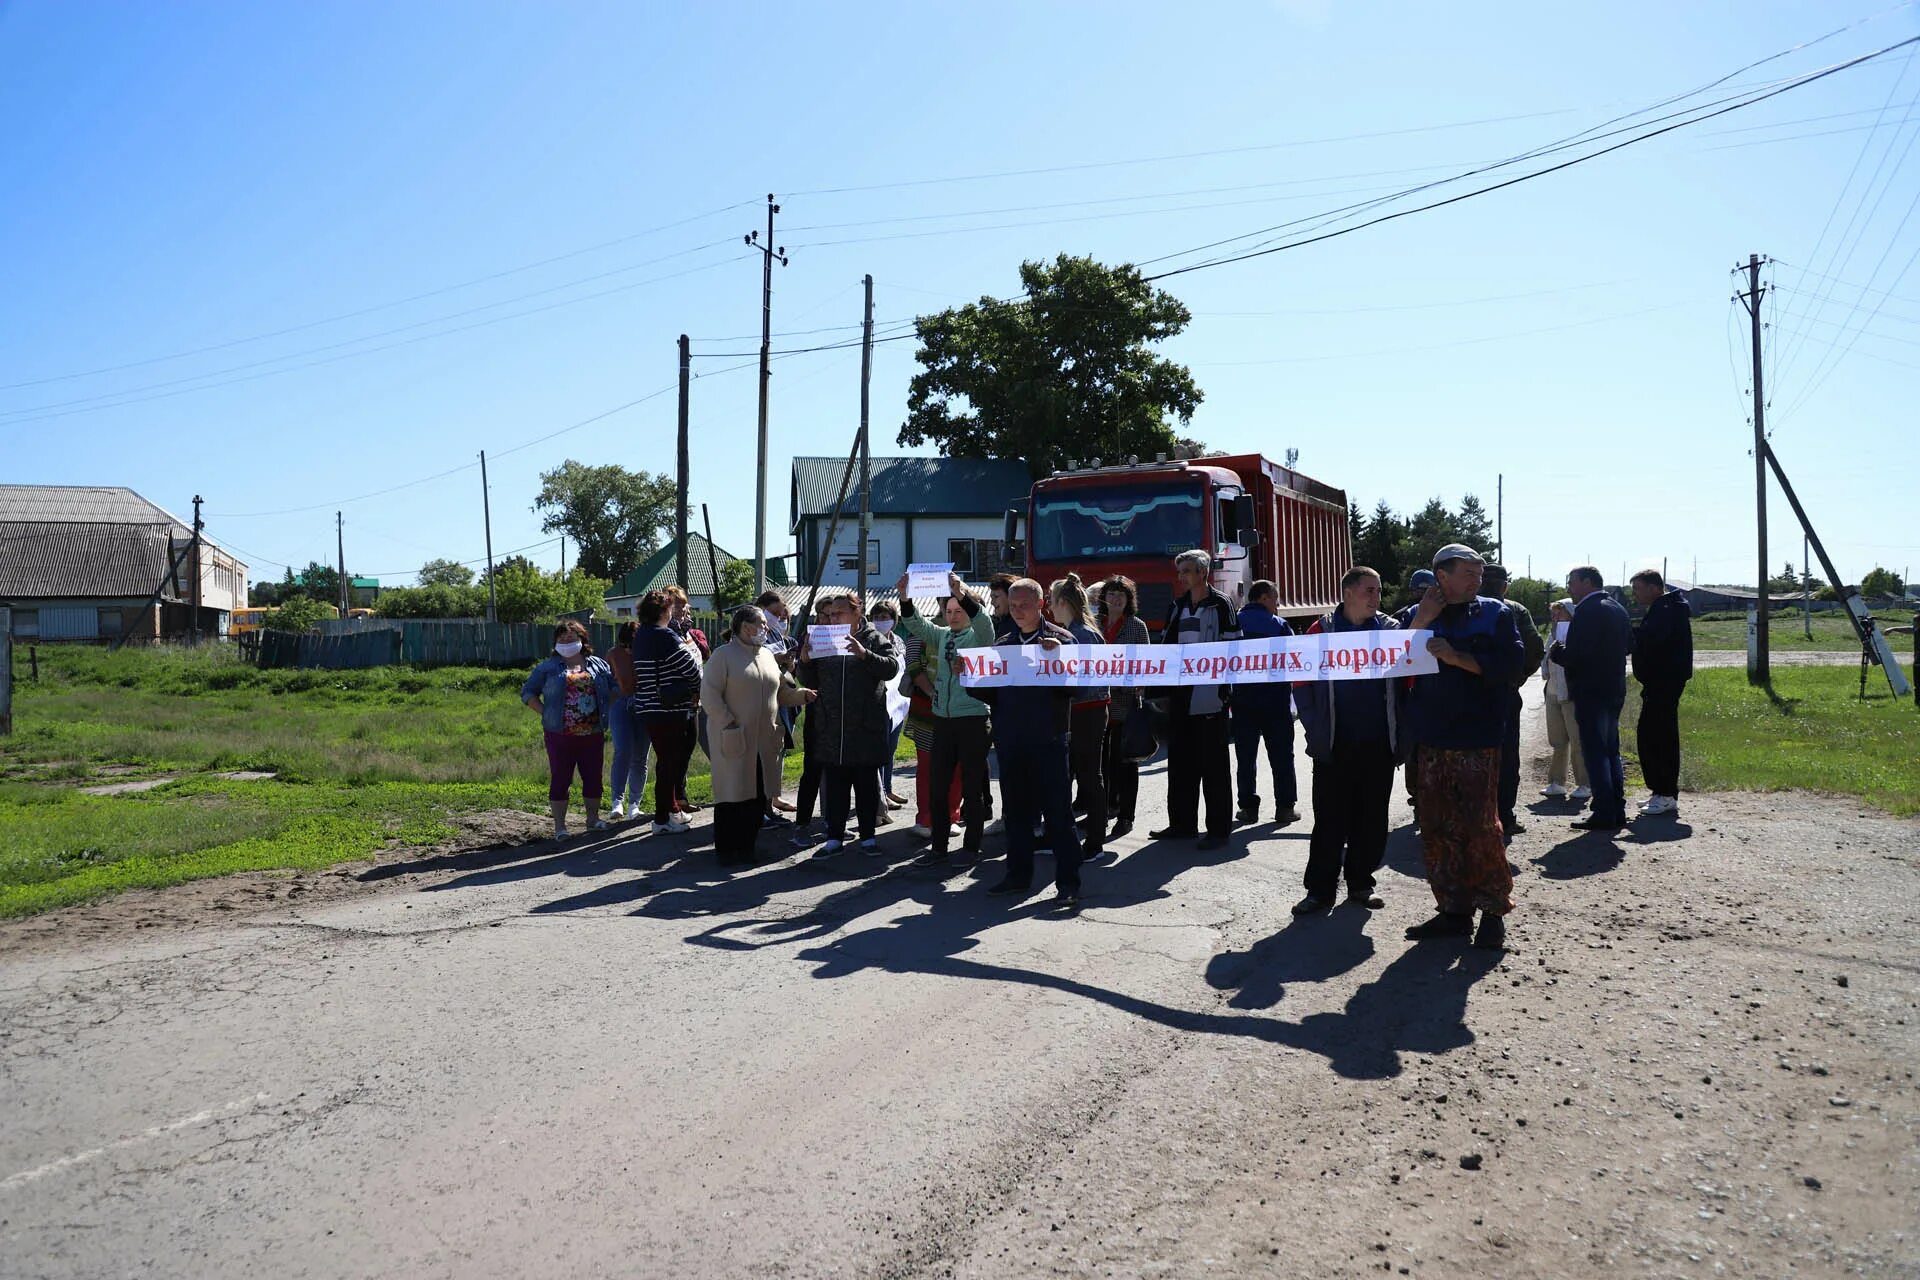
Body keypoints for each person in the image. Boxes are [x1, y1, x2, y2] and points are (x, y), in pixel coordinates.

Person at [1402, 544, 1525, 950]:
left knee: (1479, 827)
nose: (1478, 579)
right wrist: (1423, 619)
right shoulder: (1414, 616)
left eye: (1480, 572)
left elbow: (1511, 667)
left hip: (1477, 737)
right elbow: (1392, 665)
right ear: (1442, 575)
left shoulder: (1495, 613)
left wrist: (1457, 658)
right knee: (1437, 827)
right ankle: (1453, 911)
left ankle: (1492, 912)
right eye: (1469, 572)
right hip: (1431, 738)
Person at [1291, 567, 1402, 914]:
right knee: (1329, 821)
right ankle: (1319, 891)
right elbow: (1301, 684)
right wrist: (1314, 728)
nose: (1377, 598)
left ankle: (1361, 884)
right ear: (1348, 592)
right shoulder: (1320, 631)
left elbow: (1407, 684)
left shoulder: (1390, 631)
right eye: (1370, 590)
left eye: (1379, 591)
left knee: (1371, 819)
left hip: (1378, 744)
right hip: (1333, 745)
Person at [968, 578, 1083, 909]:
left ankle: (1069, 882)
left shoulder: (1063, 641)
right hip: (1011, 739)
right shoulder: (1003, 645)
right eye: (1013, 606)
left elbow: (1077, 688)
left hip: (1049, 740)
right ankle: (1017, 876)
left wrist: (1057, 661)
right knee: (1016, 813)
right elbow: (988, 693)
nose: (1017, 611)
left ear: (1040, 604)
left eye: (1024, 605)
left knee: (1058, 814)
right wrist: (968, 677)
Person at [701, 604, 816, 867]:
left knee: (757, 795)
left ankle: (748, 847)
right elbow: (709, 695)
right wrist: (728, 722)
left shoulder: (766, 655)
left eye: (764, 624)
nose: (764, 629)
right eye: (759, 624)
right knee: (732, 796)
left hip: (764, 739)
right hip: (733, 736)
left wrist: (801, 695)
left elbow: (781, 692)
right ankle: (727, 851)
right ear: (743, 627)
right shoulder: (723, 656)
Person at [896, 569, 995, 866]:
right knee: (938, 788)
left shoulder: (980, 636)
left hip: (974, 720)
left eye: (958, 610)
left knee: (973, 787)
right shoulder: (941, 636)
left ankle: (971, 847)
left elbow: (984, 621)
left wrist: (961, 592)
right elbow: (915, 624)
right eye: (948, 610)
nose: (952, 615)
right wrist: (904, 596)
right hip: (943, 720)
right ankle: (938, 848)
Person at [794, 591, 901, 857]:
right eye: (830, 614)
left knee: (865, 786)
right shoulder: (822, 638)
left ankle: (867, 838)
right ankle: (834, 837)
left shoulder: (872, 638)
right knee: (836, 786)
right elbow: (811, 680)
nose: (833, 619)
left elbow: (890, 668)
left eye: (839, 613)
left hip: (864, 726)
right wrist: (805, 662)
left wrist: (865, 655)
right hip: (832, 727)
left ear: (856, 613)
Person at [1153, 550, 1240, 849]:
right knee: (1180, 761)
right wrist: (1161, 689)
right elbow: (1166, 647)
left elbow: (1233, 648)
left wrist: (1223, 689)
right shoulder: (1177, 606)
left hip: (1210, 693)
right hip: (1180, 692)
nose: (1182, 577)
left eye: (1187, 571)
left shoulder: (1221, 604)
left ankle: (1218, 831)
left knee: (1213, 765)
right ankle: (1182, 824)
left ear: (1203, 572)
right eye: (1180, 572)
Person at [1550, 566, 1634, 833]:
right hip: (1614, 689)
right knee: (1611, 751)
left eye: (1572, 582)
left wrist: (1557, 653)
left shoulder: (1587, 610)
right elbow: (1629, 645)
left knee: (1595, 753)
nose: (1569, 588)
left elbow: (1576, 657)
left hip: (1591, 692)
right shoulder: (1616, 607)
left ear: (1587, 582)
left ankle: (1603, 812)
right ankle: (1616, 808)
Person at [521, 620, 617, 839]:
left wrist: (604, 707)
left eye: (571, 637)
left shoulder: (598, 665)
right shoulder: (547, 667)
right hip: (559, 734)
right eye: (562, 638)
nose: (566, 641)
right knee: (561, 778)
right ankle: (560, 828)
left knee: (593, 777)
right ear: (555, 642)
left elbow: (615, 687)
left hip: (592, 733)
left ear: (582, 639)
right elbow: (528, 693)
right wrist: (545, 712)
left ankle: (593, 820)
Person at [631, 590, 703, 835]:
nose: (673, 613)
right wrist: (698, 688)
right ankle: (662, 819)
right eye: (670, 608)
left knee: (666, 761)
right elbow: (691, 668)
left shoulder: (641, 636)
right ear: (663, 611)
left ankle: (671, 810)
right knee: (670, 763)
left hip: (650, 707)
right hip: (670, 708)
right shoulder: (665, 635)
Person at [1480, 564, 1544, 837]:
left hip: (1467, 693)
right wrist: (1517, 678)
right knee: (1506, 757)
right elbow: (1535, 648)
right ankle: (1504, 815)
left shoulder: (1465, 606)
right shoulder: (1516, 611)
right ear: (1505, 585)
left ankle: (1470, 816)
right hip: (1504, 692)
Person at [1049, 574, 1109, 863]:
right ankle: (1070, 836)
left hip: (1087, 710)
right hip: (1086, 709)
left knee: (1088, 776)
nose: (1050, 608)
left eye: (1052, 601)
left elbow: (1080, 681)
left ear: (1063, 602)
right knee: (1080, 775)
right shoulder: (1079, 631)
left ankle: (1095, 842)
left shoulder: (1078, 634)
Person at [1231, 579, 1299, 827]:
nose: (1277, 603)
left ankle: (1248, 808)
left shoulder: (1234, 623)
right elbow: (1293, 659)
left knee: (1245, 758)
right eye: (1275, 598)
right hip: (1275, 701)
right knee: (1282, 756)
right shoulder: (1279, 625)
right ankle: (1285, 807)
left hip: (1243, 700)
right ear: (1263, 598)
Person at [1630, 569, 1693, 817]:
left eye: (1638, 588)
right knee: (1649, 736)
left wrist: (1631, 637)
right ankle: (1659, 791)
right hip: (1657, 683)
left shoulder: (1668, 610)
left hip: (1664, 682)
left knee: (1660, 737)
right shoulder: (1662, 608)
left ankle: (1666, 793)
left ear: (1654, 587)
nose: (1634, 594)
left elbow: (1652, 640)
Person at [1097, 575, 1152, 841]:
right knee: (1101, 766)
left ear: (1129, 599)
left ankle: (1125, 816)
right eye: (1112, 594)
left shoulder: (1136, 626)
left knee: (1126, 765)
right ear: (1104, 598)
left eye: (1122, 594)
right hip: (1096, 705)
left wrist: (1122, 684)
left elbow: (1144, 667)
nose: (1116, 598)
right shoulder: (1094, 624)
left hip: (1124, 705)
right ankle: (1105, 809)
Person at [1394, 567, 1439, 812]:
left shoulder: (1402, 616)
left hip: (1421, 693)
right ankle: (1420, 798)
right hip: (1414, 693)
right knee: (1416, 750)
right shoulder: (1403, 617)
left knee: (1418, 750)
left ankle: (1422, 797)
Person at [1539, 599, 1590, 803]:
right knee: (1558, 741)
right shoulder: (1552, 634)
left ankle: (1585, 783)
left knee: (1578, 740)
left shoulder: (1578, 635)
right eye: (1553, 613)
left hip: (1571, 694)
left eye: (1559, 613)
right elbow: (1545, 661)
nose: (1555, 617)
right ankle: (1557, 782)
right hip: (1552, 693)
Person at [604, 622, 653, 822]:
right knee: (622, 749)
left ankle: (635, 804)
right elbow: (607, 679)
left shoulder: (648, 652)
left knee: (641, 756)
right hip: (621, 705)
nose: (630, 647)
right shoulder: (614, 654)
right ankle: (617, 801)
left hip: (645, 704)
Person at [869, 599, 908, 818]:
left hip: (897, 703)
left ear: (894, 620)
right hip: (879, 704)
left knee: (891, 749)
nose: (880, 622)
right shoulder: (872, 641)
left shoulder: (899, 641)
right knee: (880, 750)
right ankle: (880, 794)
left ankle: (889, 788)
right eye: (876, 617)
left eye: (884, 618)